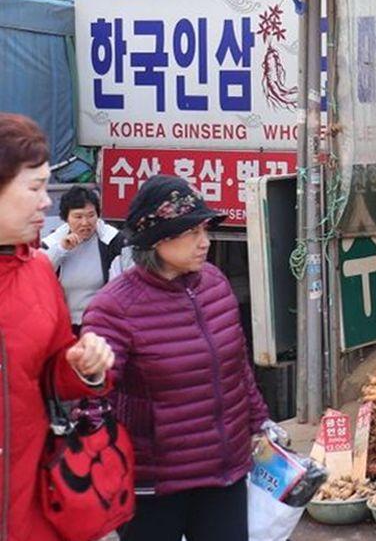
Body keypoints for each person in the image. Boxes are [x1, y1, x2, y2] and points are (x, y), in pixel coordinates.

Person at [84, 175, 279, 541]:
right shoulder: (114, 307)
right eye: (192, 233)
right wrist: (104, 469)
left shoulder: (215, 284)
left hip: (224, 475)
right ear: (157, 239)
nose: (205, 242)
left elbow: (238, 368)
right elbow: (93, 400)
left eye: (204, 230)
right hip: (154, 488)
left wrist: (260, 423)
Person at [0, 113, 115, 541]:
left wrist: (83, 366)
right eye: (34, 188)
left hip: (28, 508)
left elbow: (51, 371)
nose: (47, 203)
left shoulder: (37, 272)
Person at [41, 186, 130, 331]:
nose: (85, 222)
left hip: (102, 324)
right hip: (63, 326)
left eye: (91, 215)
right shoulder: (52, 243)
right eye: (78, 216)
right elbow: (39, 273)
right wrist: (61, 249)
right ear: (66, 218)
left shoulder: (113, 241)